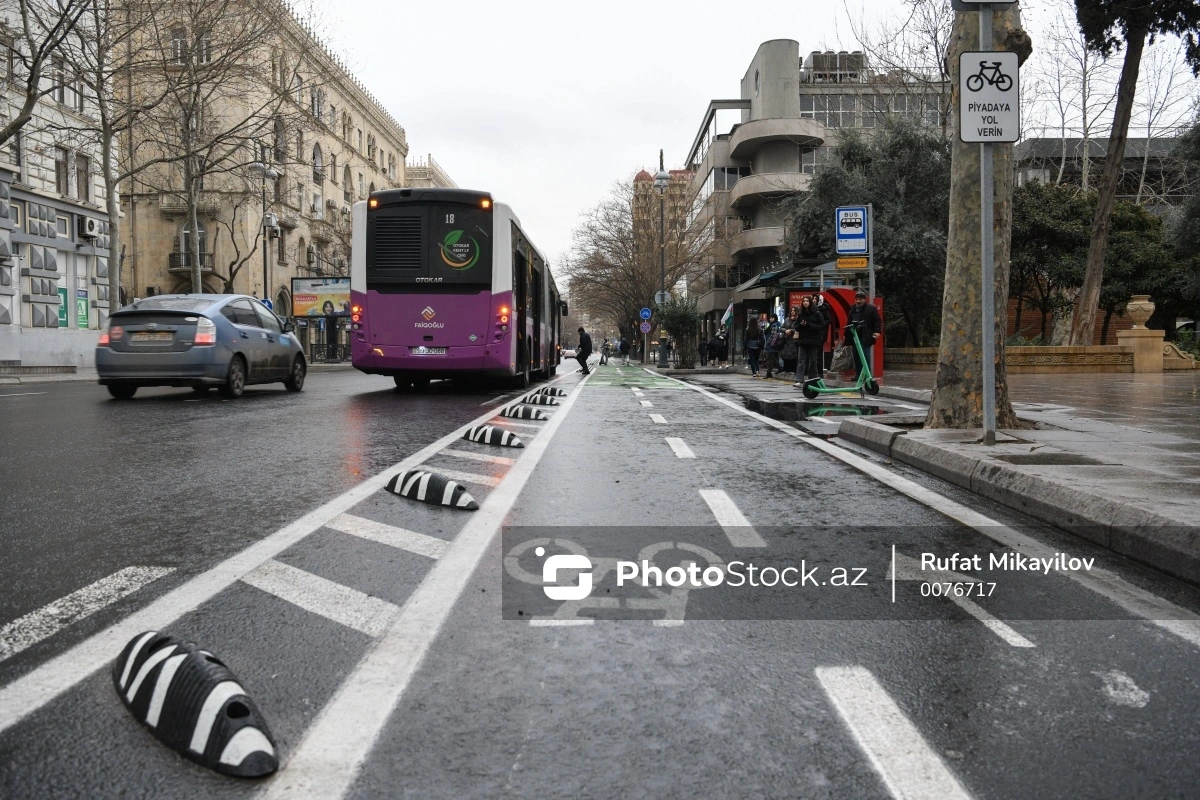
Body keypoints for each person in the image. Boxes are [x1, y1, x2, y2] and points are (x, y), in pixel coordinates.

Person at [847, 288, 881, 376]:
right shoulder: (852, 309)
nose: (858, 301)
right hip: (855, 336)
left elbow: (877, 320)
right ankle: (858, 375)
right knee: (856, 356)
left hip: (866, 335)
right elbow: (849, 322)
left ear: (864, 299)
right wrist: (846, 336)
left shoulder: (871, 309)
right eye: (857, 299)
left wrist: (877, 331)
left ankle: (867, 375)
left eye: (860, 299)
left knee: (865, 356)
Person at [793, 295, 825, 385]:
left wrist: (809, 325)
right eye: (804, 301)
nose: (805, 302)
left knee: (813, 361)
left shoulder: (817, 313)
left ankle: (812, 379)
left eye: (807, 301)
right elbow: (796, 327)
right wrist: (801, 325)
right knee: (801, 360)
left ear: (810, 302)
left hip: (813, 341)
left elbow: (821, 326)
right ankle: (799, 379)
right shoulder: (801, 314)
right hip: (803, 340)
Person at [780, 306, 800, 378]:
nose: (792, 312)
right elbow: (781, 327)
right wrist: (785, 330)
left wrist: (791, 330)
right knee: (785, 355)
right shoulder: (787, 319)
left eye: (794, 310)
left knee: (794, 355)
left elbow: (799, 328)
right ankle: (786, 369)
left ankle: (793, 370)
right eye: (791, 310)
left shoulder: (798, 320)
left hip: (794, 340)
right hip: (786, 340)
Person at [763, 313, 782, 379]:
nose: (771, 319)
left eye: (772, 318)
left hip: (771, 345)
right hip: (773, 345)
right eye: (770, 318)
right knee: (772, 358)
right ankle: (779, 368)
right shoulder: (772, 325)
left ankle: (769, 372)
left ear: (775, 318)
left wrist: (767, 343)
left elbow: (773, 336)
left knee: (769, 359)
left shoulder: (774, 325)